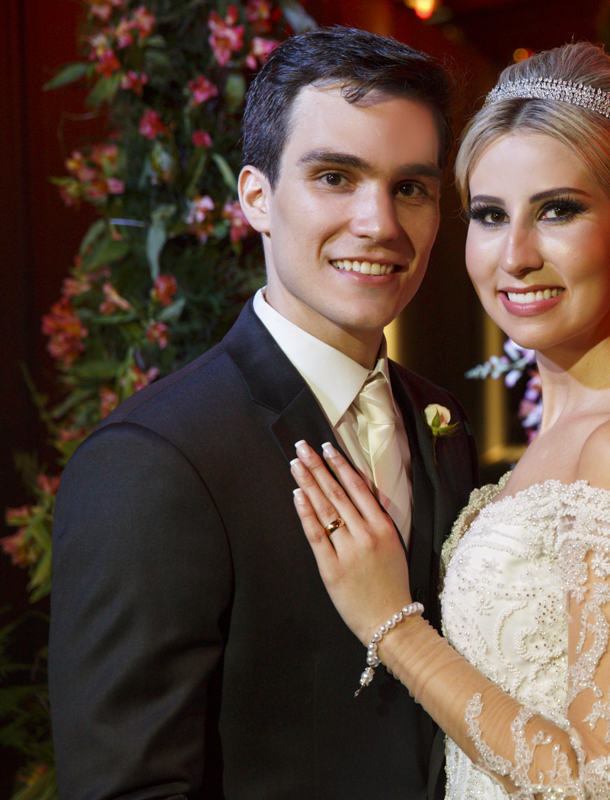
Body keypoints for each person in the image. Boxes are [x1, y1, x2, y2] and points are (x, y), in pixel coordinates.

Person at [48, 27, 478, 799]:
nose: (380, 223)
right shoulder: (155, 460)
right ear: (257, 197)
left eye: (411, 187)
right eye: (337, 177)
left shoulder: (441, 420)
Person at [289, 42, 610, 798]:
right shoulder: (560, 428)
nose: (515, 255)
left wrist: (394, 627)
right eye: (490, 215)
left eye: (558, 211)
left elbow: (609, 791)